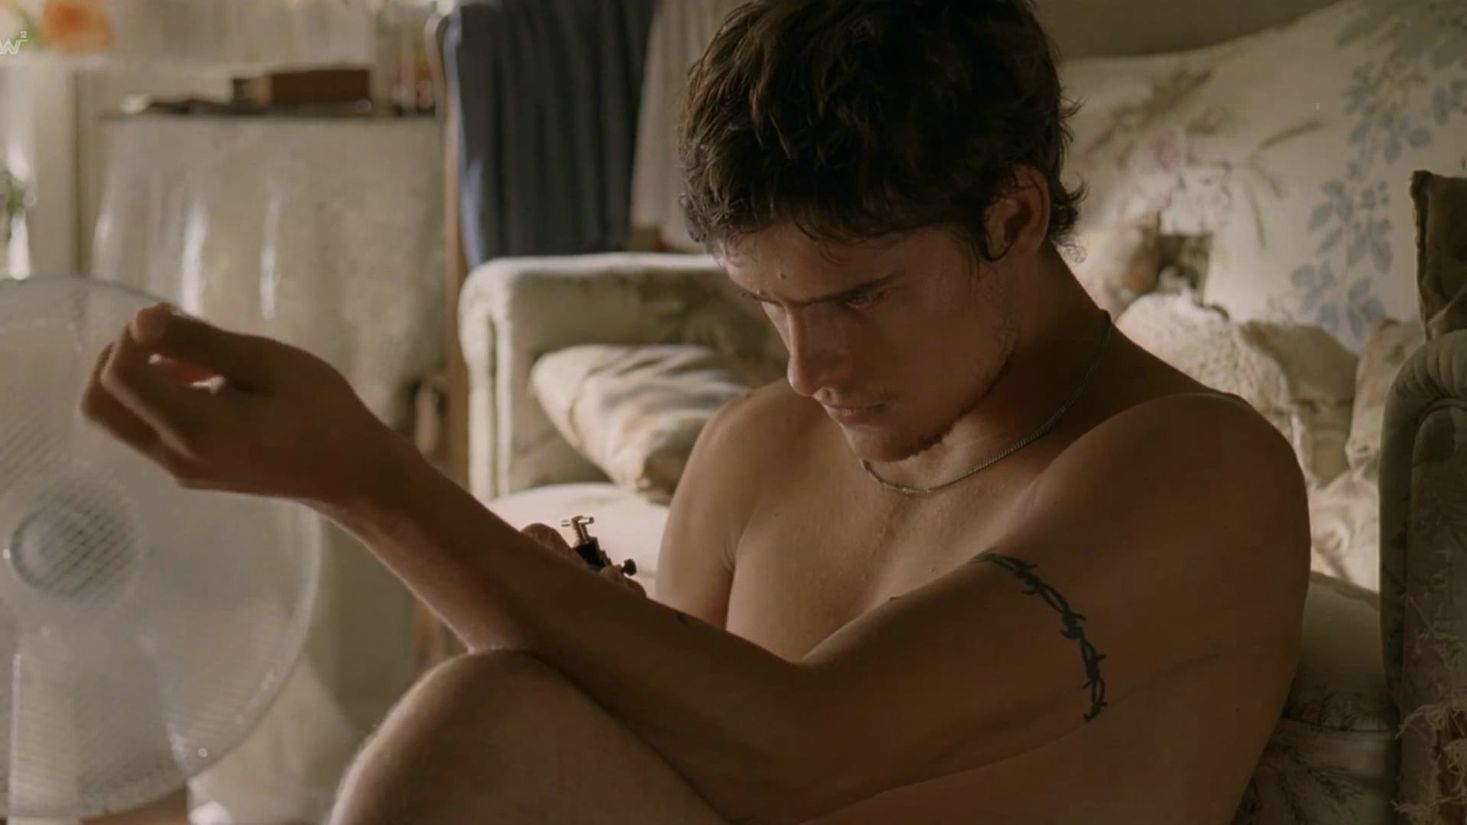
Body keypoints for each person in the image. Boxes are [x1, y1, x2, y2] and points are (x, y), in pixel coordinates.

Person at [80, 1, 1310, 822]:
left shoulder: (1194, 470)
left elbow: (808, 748)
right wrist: (565, 624)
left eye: (860, 298)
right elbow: (663, 759)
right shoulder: (761, 448)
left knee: (485, 718)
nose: (810, 370)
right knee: (500, 706)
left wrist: (364, 474)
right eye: (773, 307)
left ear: (1016, 217)